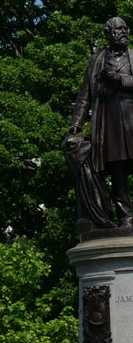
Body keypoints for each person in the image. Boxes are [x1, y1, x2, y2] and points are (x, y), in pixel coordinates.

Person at [67, 16, 133, 229]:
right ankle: (126, 217)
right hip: (108, 124)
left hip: (131, 120)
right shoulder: (96, 61)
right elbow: (84, 97)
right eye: (118, 29)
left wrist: (120, 80)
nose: (123, 32)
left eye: (125, 28)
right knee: (117, 168)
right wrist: (75, 125)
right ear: (108, 33)